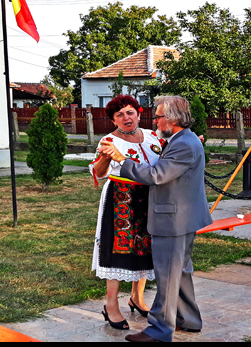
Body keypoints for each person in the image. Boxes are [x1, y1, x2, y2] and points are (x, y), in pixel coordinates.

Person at [101, 95, 213, 343]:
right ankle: (189, 320)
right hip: (181, 217)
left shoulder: (183, 143)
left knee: (168, 276)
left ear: (171, 118)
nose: (155, 120)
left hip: (173, 219)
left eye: (159, 116)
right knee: (181, 272)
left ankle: (159, 331)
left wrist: (122, 159)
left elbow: (157, 175)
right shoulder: (182, 140)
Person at [89, 95, 162, 330]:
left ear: (139, 114)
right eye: (119, 115)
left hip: (149, 197)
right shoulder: (109, 140)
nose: (126, 118)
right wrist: (104, 157)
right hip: (120, 199)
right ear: (113, 120)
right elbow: (99, 173)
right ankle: (111, 304)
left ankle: (137, 298)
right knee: (117, 250)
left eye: (130, 112)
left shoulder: (153, 136)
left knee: (145, 246)